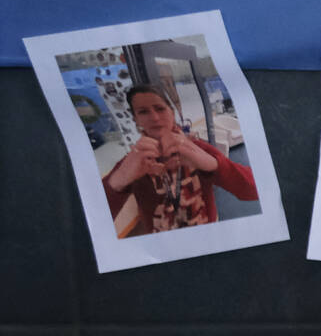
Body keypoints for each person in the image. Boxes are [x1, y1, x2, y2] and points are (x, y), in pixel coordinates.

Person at [101, 83, 258, 235]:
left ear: (172, 112)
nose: (154, 118)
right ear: (136, 119)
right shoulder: (134, 162)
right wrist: (118, 180)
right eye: (143, 112)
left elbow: (255, 190)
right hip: (162, 243)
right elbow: (94, 220)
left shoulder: (197, 149)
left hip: (208, 232)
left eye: (160, 108)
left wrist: (214, 164)